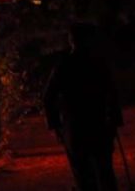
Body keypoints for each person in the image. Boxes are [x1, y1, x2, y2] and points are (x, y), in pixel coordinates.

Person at [44, 23, 122, 191]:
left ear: (71, 40)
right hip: (98, 123)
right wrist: (115, 120)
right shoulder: (98, 64)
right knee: (104, 170)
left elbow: (48, 97)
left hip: (75, 127)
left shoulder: (64, 65)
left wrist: (56, 125)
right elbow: (113, 94)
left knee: (83, 172)